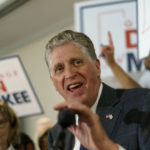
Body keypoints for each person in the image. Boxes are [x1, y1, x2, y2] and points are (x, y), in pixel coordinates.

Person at [45, 30, 150, 150]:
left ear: (97, 67)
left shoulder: (143, 102)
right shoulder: (56, 134)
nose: (69, 74)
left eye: (77, 62)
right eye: (59, 68)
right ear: (53, 82)